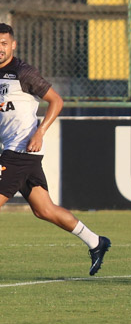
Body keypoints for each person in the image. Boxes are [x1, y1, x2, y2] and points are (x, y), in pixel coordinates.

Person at [0, 23, 110, 275]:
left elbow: (56, 101)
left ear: (13, 45)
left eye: (4, 44)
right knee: (44, 210)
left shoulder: (23, 72)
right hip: (15, 150)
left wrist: (40, 132)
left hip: (21, 150)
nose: (0, 49)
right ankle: (96, 242)